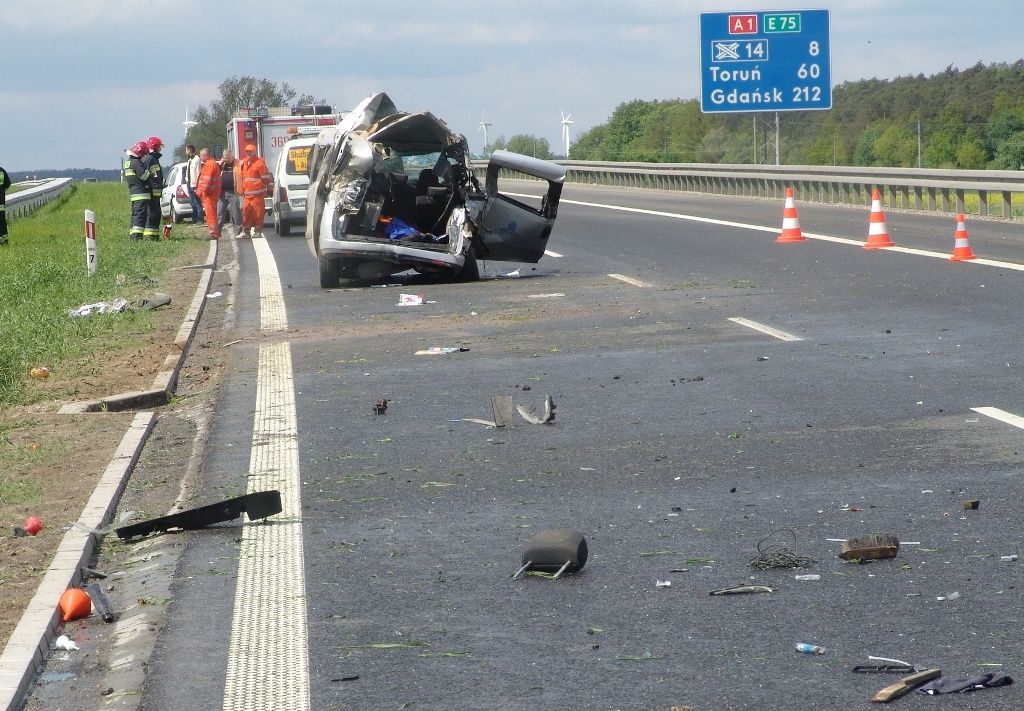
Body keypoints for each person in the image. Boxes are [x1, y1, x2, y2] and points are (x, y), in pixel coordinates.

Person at [237, 143, 272, 238]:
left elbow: (266, 179)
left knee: (258, 214)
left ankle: (258, 231)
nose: (248, 153)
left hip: (257, 195)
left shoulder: (259, 163)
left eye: (250, 151)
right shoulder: (244, 162)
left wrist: (260, 186)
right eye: (247, 151)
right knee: (246, 213)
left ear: (254, 152)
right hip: (247, 194)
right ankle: (246, 232)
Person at [123, 141, 152, 241]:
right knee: (140, 216)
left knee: (135, 215)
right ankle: (137, 238)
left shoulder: (128, 162)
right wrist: (150, 172)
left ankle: (133, 236)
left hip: (134, 193)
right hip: (141, 194)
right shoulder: (136, 162)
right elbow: (143, 176)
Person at [140, 136, 164, 240]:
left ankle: (154, 235)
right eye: (159, 146)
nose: (161, 149)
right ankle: (150, 236)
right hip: (152, 192)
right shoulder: (149, 159)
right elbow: (146, 176)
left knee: (155, 213)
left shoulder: (152, 159)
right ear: (156, 147)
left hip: (155, 192)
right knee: (152, 214)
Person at [195, 148, 222, 239]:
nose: (200, 157)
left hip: (209, 194)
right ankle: (215, 233)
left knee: (210, 214)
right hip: (212, 193)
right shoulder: (212, 164)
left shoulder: (209, 165)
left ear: (206, 156)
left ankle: (214, 234)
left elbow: (206, 182)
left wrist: (200, 192)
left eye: (201, 155)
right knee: (212, 213)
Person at [217, 148, 242, 236]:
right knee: (220, 213)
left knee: (236, 212)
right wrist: (220, 164)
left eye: (228, 157)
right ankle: (217, 232)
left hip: (233, 192)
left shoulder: (238, 163)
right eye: (225, 157)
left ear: (232, 156)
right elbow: (216, 173)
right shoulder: (221, 165)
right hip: (222, 192)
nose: (227, 159)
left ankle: (239, 231)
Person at [185, 144, 204, 223]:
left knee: (197, 202)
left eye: (186, 150)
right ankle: (195, 219)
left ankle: (200, 219)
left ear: (189, 150)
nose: (185, 152)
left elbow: (198, 172)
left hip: (194, 184)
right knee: (192, 202)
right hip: (189, 183)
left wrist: (197, 185)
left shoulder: (197, 159)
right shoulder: (190, 160)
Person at [0, 164, 10, 246]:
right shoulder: (2, 171)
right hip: (1, 204)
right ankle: (5, 241)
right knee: (2, 221)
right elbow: (8, 185)